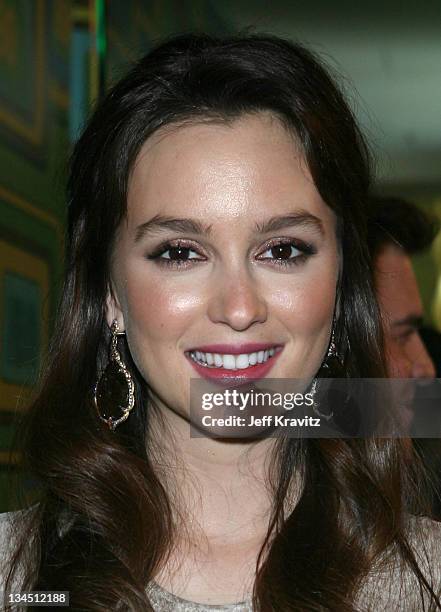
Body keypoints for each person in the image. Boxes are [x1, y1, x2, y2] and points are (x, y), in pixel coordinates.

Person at [1, 34, 440, 611]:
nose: (238, 307)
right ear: (108, 289)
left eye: (282, 250)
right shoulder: (14, 577)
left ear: (340, 282)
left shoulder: (428, 581)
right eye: (179, 252)